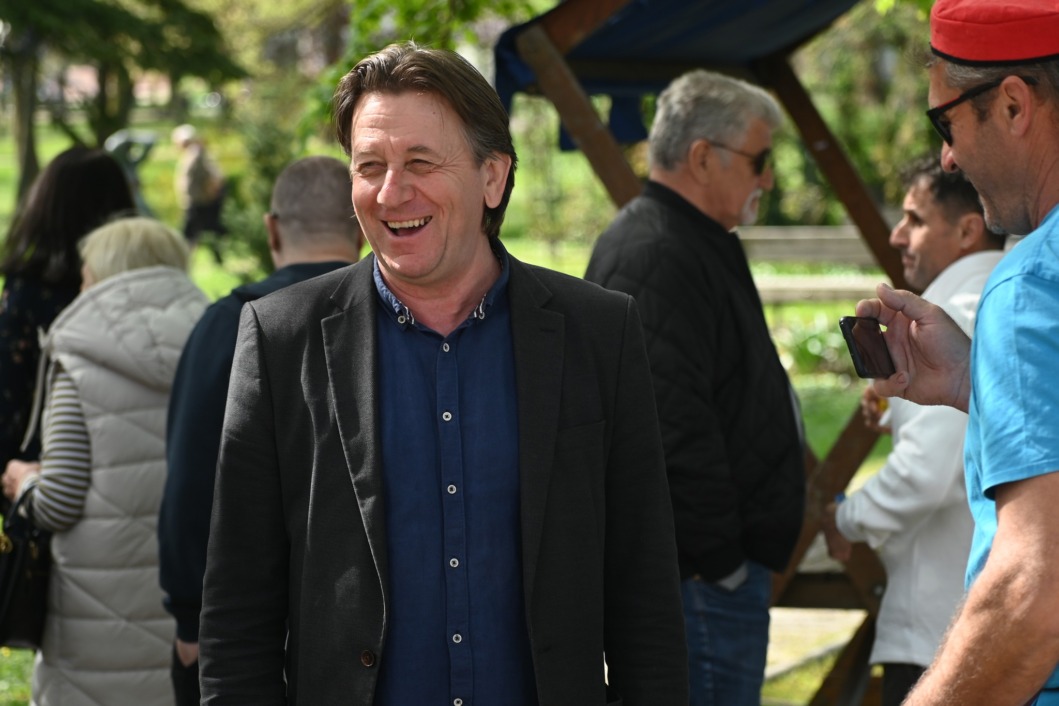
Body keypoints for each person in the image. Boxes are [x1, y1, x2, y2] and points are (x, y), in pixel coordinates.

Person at [198, 42, 688, 705]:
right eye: (370, 166)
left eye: (420, 163)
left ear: (493, 177)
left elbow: (645, 594)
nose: (391, 192)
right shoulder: (280, 338)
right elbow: (237, 614)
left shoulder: (598, 333)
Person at [856, 2, 1059, 703]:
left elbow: (1032, 592)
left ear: (1012, 105)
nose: (946, 156)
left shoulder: (1032, 284)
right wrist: (982, 384)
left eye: (945, 123)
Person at [584, 69, 804, 706]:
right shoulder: (656, 251)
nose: (768, 179)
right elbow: (668, 430)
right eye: (759, 160)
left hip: (708, 577)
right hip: (698, 581)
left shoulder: (688, 238)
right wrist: (722, 562)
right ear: (704, 158)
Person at [159, 155, 364, 706]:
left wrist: (189, 615)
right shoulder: (388, 328)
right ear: (361, 232)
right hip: (360, 627)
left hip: (240, 628)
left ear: (272, 229)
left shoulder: (227, 323)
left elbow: (190, 478)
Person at [819, 159, 1004, 706]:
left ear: (968, 230)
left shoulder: (962, 310)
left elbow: (926, 473)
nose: (898, 235)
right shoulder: (994, 299)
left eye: (915, 220)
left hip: (940, 626)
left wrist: (844, 518)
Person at [1, 216, 207, 706]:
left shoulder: (78, 348)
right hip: (191, 606)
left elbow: (59, 501)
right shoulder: (219, 336)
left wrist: (23, 481)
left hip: (93, 619)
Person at [0, 146, 136, 477]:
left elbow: (10, 391)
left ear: (45, 207)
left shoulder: (29, 292)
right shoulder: (144, 288)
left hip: (48, 469)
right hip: (134, 467)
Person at [172, 124, 226, 243]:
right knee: (204, 229)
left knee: (191, 233)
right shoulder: (193, 153)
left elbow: (216, 175)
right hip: (196, 200)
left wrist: (211, 192)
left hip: (198, 201)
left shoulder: (196, 153)